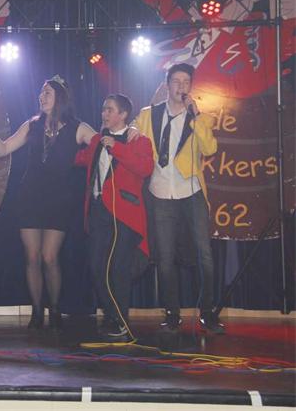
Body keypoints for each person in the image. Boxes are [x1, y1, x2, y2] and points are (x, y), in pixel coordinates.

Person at [0, 75, 98, 330]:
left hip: (59, 200)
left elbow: (101, 143)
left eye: (47, 93)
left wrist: (129, 132)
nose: (41, 97)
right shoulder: (32, 125)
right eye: (41, 93)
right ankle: (36, 311)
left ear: (60, 97)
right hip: (30, 196)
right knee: (31, 257)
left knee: (49, 256)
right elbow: (3, 150)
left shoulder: (78, 127)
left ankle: (54, 309)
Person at [134, 63, 224, 334]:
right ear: (167, 85)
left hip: (191, 190)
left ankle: (207, 312)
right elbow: (134, 136)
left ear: (191, 86)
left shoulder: (200, 118)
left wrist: (195, 118)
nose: (181, 87)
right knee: (165, 257)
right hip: (161, 191)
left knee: (204, 255)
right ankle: (172, 313)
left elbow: (210, 148)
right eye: (176, 81)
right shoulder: (149, 114)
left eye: (186, 82)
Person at [75, 94, 153, 342]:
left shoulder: (138, 140)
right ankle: (112, 314)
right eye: (103, 109)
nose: (104, 114)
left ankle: (121, 321)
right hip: (99, 210)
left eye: (110, 110)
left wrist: (116, 147)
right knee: (96, 265)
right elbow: (79, 158)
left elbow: (145, 169)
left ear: (123, 114)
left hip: (125, 213)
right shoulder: (98, 140)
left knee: (119, 266)